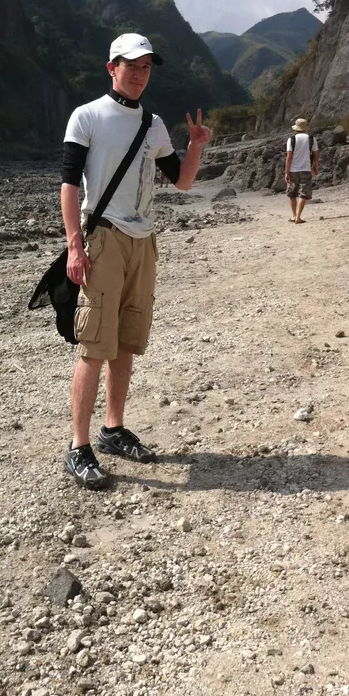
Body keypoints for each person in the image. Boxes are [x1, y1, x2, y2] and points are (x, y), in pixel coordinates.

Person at [60, 32, 211, 489]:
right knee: (94, 345)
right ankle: (78, 446)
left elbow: (181, 183)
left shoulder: (155, 125)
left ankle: (113, 429)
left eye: (147, 67)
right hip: (103, 238)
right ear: (112, 68)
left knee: (126, 341)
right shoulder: (86, 117)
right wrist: (74, 244)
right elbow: (69, 184)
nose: (140, 74)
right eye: (132, 66)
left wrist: (198, 146)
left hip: (143, 241)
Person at [284, 117, 319, 224]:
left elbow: (289, 157)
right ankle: (298, 217)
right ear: (305, 128)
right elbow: (316, 155)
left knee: (292, 194)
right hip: (306, 169)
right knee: (303, 194)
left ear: (296, 128)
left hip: (293, 170)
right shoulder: (311, 139)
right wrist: (315, 167)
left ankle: (294, 215)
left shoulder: (292, 139)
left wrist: (286, 172)